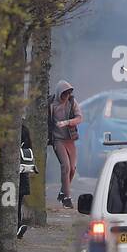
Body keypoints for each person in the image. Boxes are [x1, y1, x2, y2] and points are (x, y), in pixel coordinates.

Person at [48, 80, 82, 208]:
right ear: (59, 93)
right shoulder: (51, 104)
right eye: (64, 94)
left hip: (70, 139)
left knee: (73, 169)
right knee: (66, 166)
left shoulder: (72, 102)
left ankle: (62, 192)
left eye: (68, 94)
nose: (66, 97)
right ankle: (67, 198)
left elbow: (79, 118)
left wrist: (67, 122)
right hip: (58, 139)